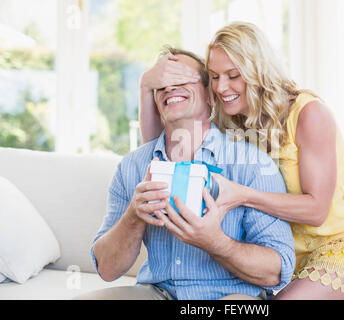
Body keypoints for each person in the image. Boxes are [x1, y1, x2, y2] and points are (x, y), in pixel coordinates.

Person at [139, 23, 344, 300]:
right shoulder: (231, 116)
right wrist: (146, 85)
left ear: (258, 72)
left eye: (234, 75)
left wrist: (242, 195)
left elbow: (317, 210)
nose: (221, 88)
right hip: (301, 255)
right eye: (215, 76)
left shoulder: (308, 113)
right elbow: (160, 145)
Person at [76, 47, 295, 300]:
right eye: (161, 84)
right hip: (157, 293)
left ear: (210, 96)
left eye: (181, 80)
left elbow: (277, 271)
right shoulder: (133, 167)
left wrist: (215, 243)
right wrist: (133, 217)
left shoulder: (251, 163)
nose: (169, 88)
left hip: (231, 295)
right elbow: (106, 268)